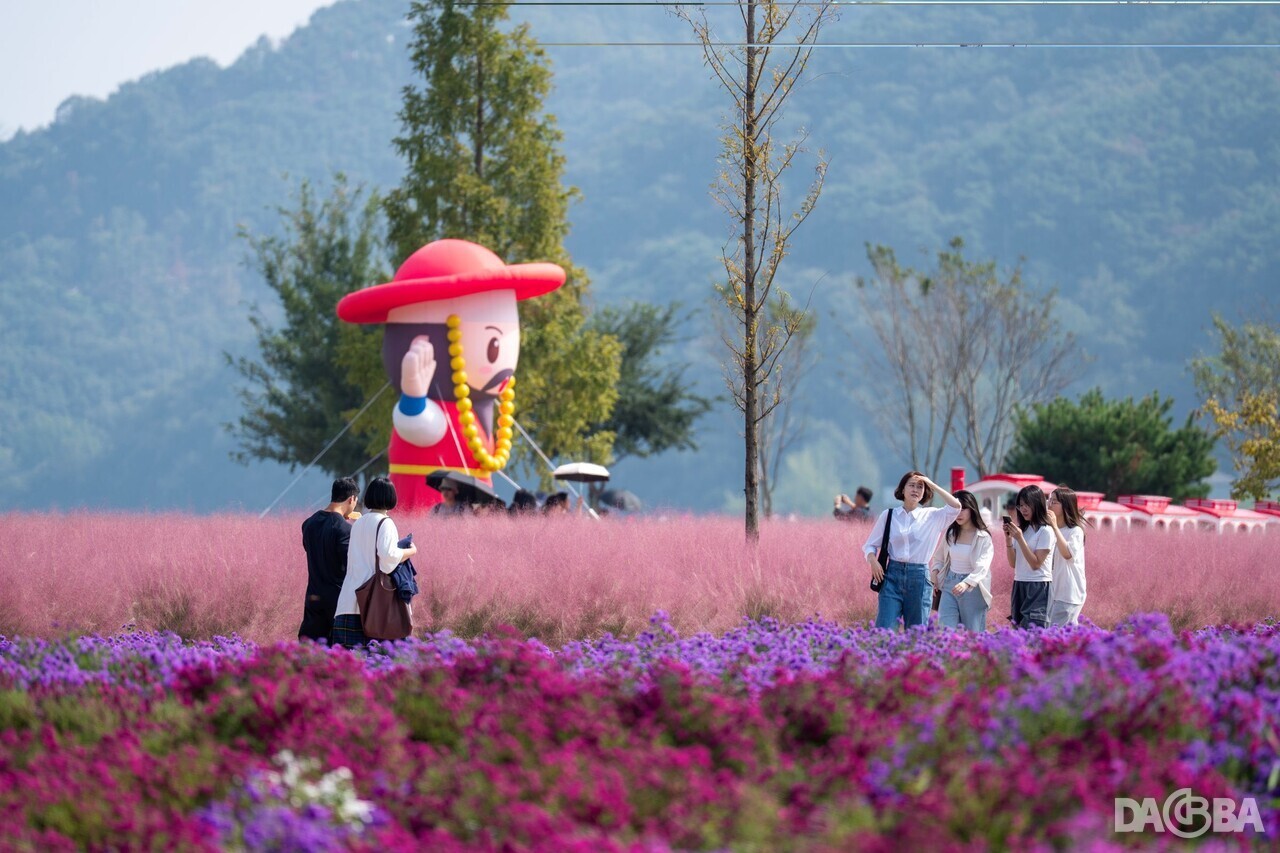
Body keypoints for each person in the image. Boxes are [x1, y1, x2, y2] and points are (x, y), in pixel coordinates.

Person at [863, 472, 962, 630]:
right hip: (891, 577)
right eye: (912, 485)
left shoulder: (932, 516)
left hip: (920, 578)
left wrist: (932, 483)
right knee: (884, 630)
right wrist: (873, 561)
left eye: (920, 486)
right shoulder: (888, 515)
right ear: (902, 489)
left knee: (916, 634)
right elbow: (870, 545)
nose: (916, 489)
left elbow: (956, 506)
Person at [331, 477, 418, 648]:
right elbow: (387, 561)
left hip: (348, 603)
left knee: (348, 668)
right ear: (392, 497)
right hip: (374, 608)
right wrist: (411, 551)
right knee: (379, 666)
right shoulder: (385, 523)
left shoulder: (358, 523)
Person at [298, 478, 359, 642]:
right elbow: (350, 566)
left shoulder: (308, 524)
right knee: (335, 653)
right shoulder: (345, 529)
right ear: (351, 499)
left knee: (309, 650)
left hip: (312, 596)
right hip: (336, 601)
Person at [929, 490, 993, 631]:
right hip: (949, 584)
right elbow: (939, 557)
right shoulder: (951, 533)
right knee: (946, 631)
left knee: (973, 634)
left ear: (972, 509)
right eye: (956, 509)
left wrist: (966, 583)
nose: (959, 513)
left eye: (963, 508)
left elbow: (983, 567)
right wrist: (934, 572)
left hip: (973, 588)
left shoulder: (983, 537)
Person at [1004, 484, 1053, 629]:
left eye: (1027, 505)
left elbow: (1036, 563)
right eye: (1020, 506)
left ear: (1037, 504)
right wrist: (1008, 539)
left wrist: (1019, 539)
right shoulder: (1022, 530)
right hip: (1019, 582)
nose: (1023, 509)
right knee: (1018, 628)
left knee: (1033, 631)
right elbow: (1013, 563)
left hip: (1038, 585)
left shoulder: (1045, 531)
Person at [1047, 486, 1088, 626]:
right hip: (1053, 594)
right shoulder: (1050, 530)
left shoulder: (1075, 531)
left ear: (1066, 506)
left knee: (1056, 638)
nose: (1049, 505)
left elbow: (1068, 554)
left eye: (1054, 502)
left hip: (1068, 594)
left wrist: (1054, 526)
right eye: (1049, 501)